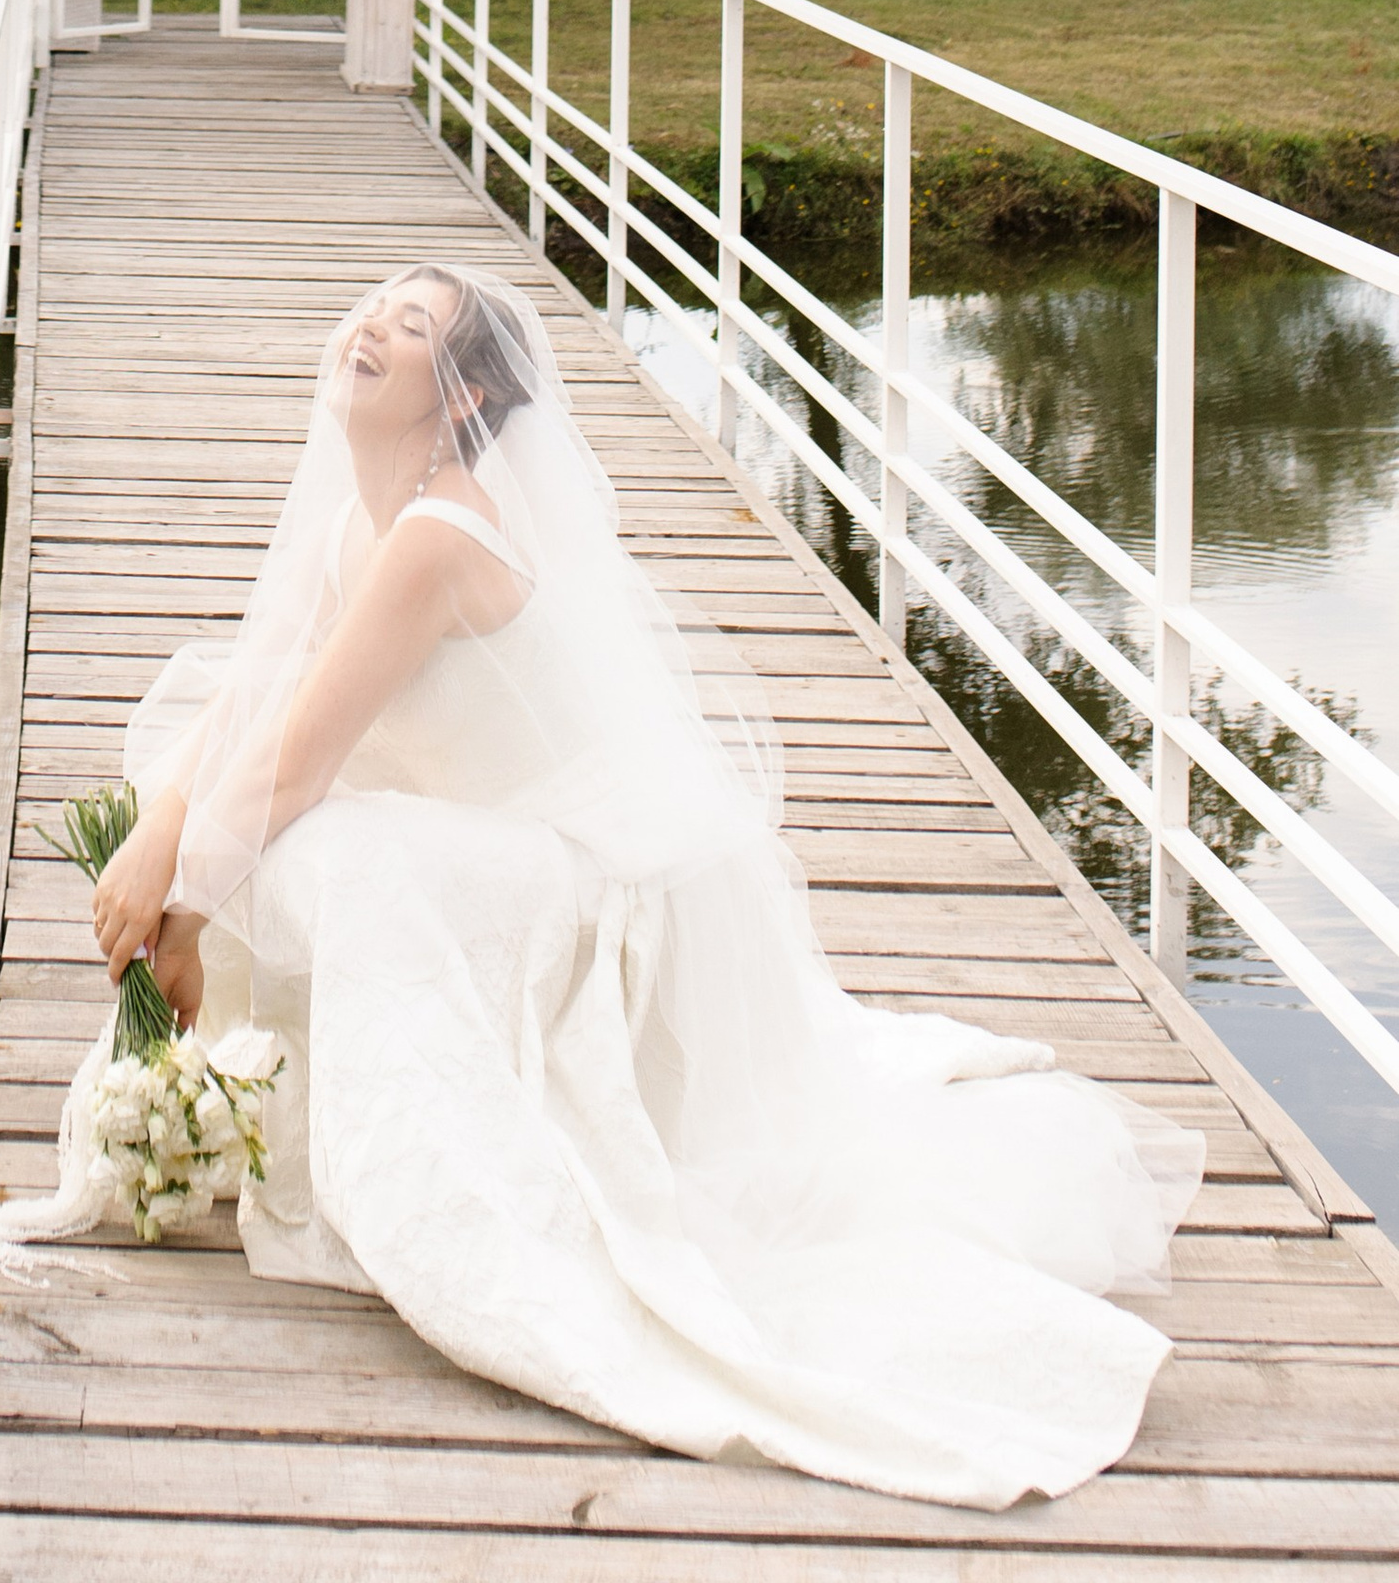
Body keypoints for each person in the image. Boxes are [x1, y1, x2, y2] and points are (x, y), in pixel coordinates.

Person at [82, 260, 1201, 1510]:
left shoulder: (438, 535)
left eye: (411, 331)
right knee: (225, 773)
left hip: (593, 887)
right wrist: (153, 829)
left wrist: (179, 912)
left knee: (331, 850)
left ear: (459, 407)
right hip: (499, 842)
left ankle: (431, 1171)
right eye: (372, 309)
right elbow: (252, 690)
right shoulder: (363, 514)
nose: (369, 332)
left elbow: (293, 762)